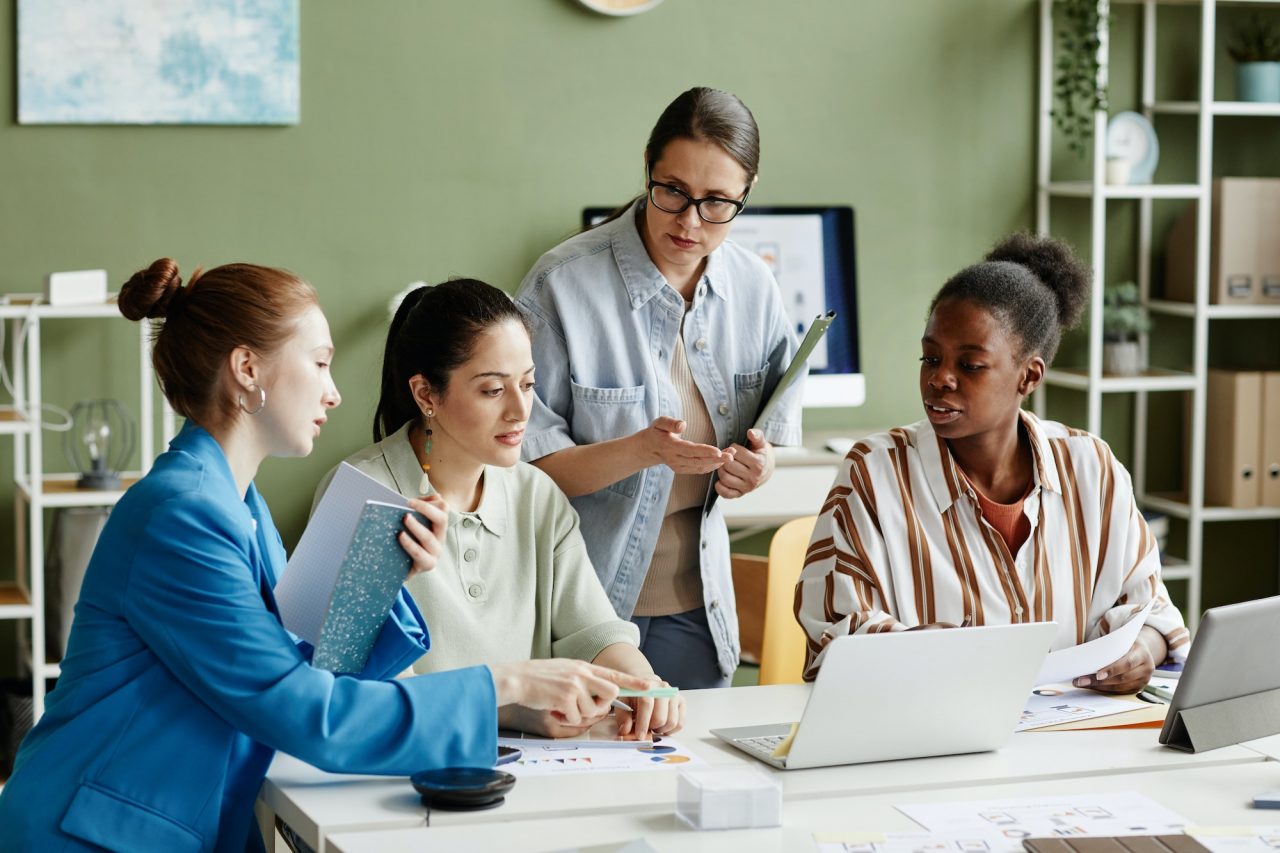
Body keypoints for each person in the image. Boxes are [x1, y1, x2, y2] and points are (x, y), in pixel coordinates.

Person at [0, 260, 649, 852]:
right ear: (248, 370)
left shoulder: (239, 504)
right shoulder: (182, 515)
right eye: (319, 363)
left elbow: (320, 659)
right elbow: (303, 710)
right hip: (93, 834)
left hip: (180, 822)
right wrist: (506, 684)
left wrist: (380, 571)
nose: (335, 393)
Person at [795, 233, 1190, 692]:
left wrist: (1143, 650)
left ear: (1029, 375)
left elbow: (1153, 610)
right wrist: (908, 647)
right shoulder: (875, 472)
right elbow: (833, 629)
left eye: (971, 365)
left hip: (1072, 736)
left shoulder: (1091, 468)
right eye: (931, 357)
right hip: (930, 737)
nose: (940, 378)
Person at [514, 87, 802, 690]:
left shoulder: (755, 289)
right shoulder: (560, 284)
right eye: (672, 191)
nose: (689, 221)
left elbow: (767, 437)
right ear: (648, 166)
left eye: (718, 202)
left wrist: (759, 467)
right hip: (580, 611)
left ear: (746, 193)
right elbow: (524, 470)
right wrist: (641, 451)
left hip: (699, 608)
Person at [319, 278, 684, 738]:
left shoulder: (536, 494)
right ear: (426, 395)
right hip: (405, 774)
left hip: (526, 770)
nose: (519, 411)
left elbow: (594, 631)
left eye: (528, 384)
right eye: (492, 390)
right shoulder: (359, 493)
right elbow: (360, 694)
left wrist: (641, 685)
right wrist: (511, 711)